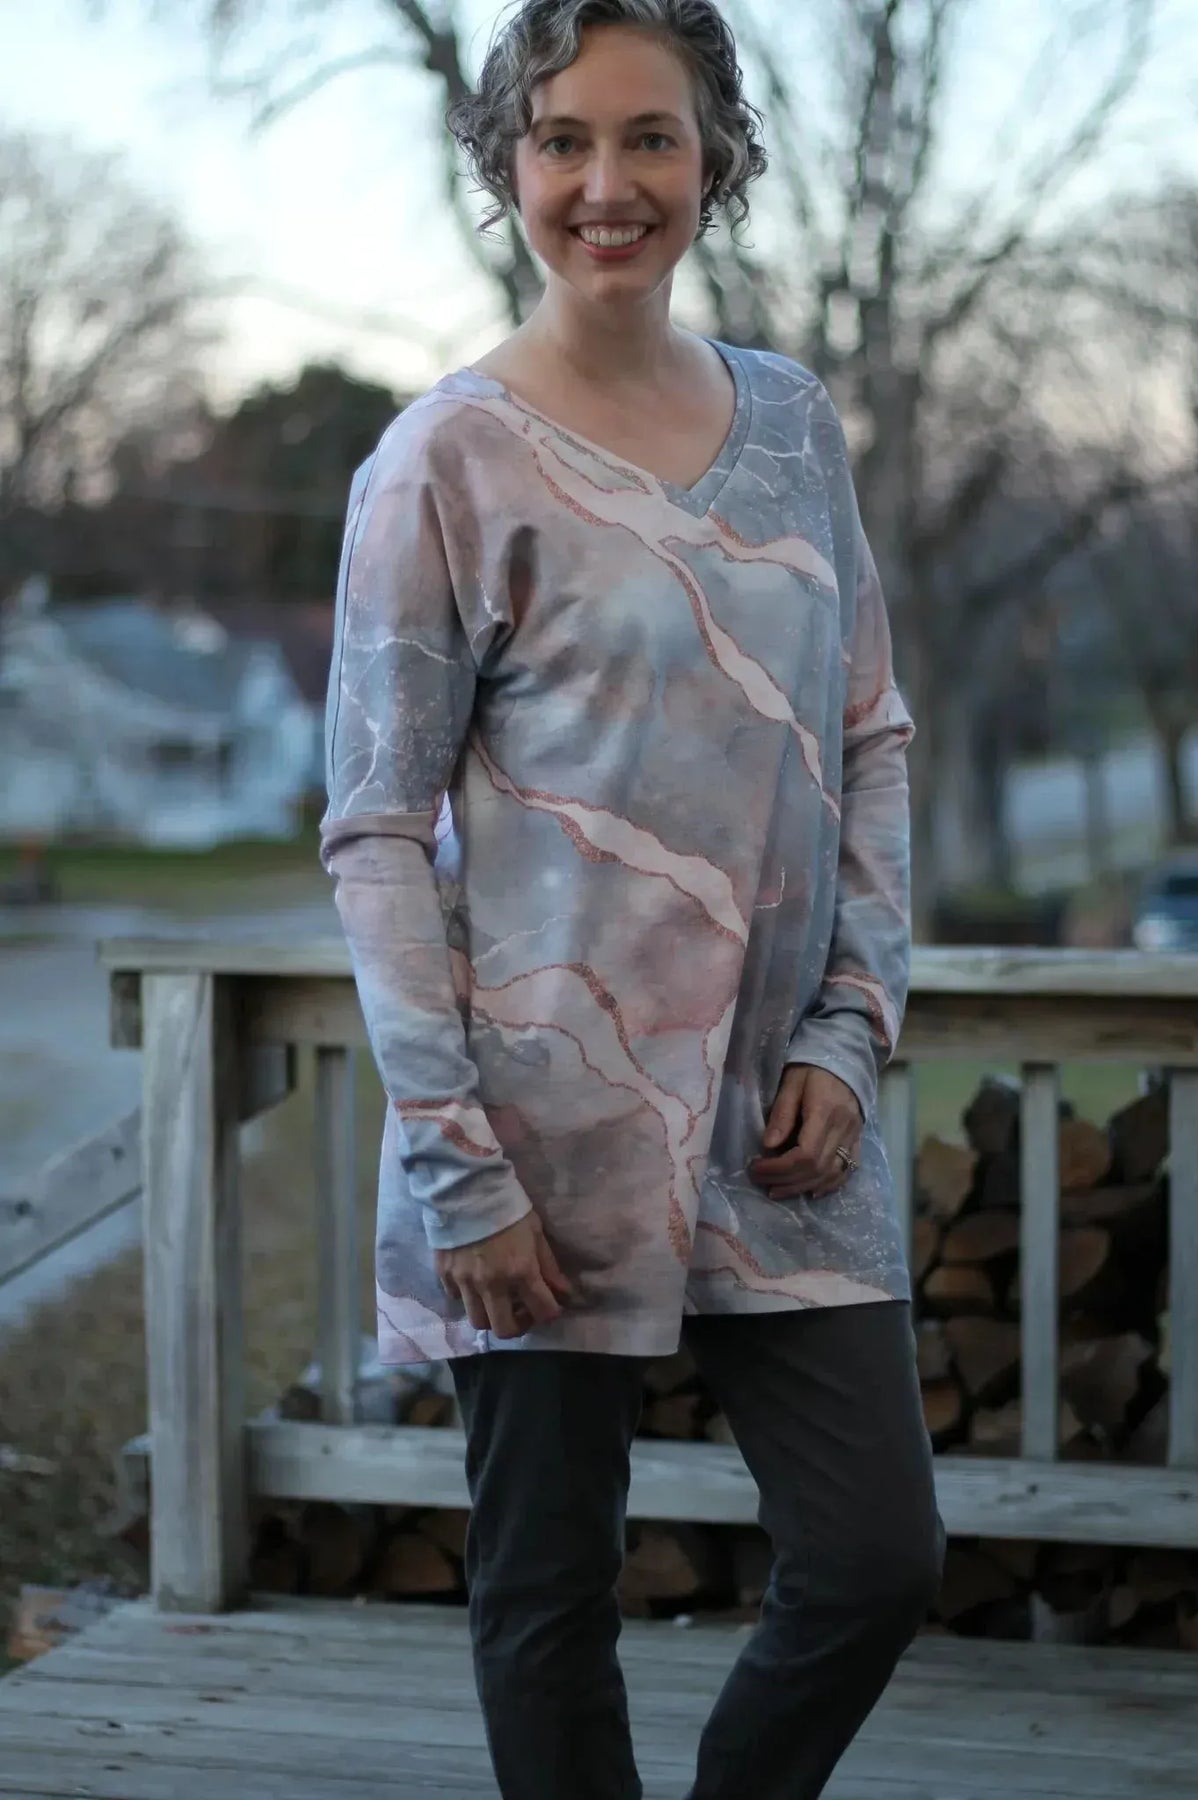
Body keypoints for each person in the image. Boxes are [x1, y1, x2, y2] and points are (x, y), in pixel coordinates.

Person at [320, 1, 945, 1794]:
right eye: (566, 140)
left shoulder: (794, 428)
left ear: (714, 159)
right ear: (509, 163)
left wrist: (854, 1015)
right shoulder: (442, 462)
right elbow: (374, 829)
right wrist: (456, 1165)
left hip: (779, 1124)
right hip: (530, 1128)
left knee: (876, 1555)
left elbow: (873, 737)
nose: (609, 183)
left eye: (651, 138)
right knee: (546, 1595)